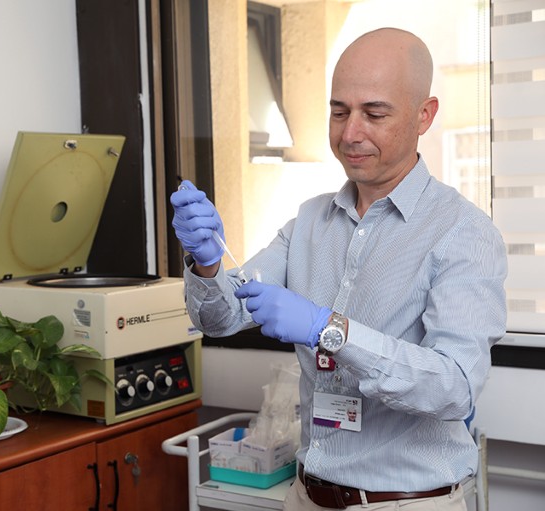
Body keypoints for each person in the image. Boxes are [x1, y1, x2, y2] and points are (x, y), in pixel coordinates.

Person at [170, 27, 507, 511]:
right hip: (307, 495)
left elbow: (454, 389)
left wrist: (328, 329)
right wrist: (205, 262)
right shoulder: (308, 221)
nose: (350, 133)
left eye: (374, 114)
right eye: (338, 111)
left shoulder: (464, 233)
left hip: (406, 502)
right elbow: (220, 319)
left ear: (424, 115)